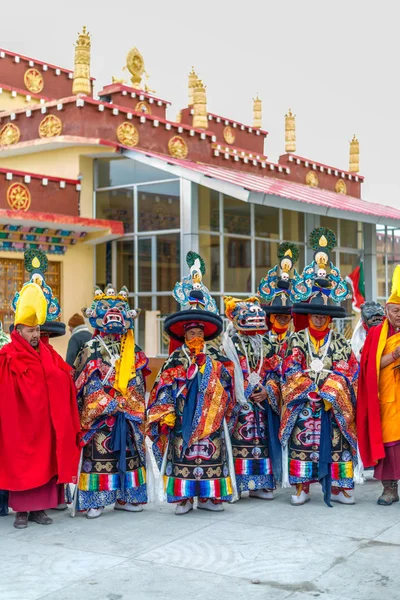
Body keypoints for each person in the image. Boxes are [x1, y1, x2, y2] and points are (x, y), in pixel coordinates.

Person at [147, 252, 236, 515]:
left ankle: (209, 498)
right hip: (183, 417)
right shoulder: (175, 358)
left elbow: (228, 382)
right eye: (191, 333)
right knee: (181, 455)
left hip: (211, 419)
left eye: (199, 333)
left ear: (205, 335)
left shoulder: (217, 356)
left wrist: (208, 370)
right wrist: (166, 412)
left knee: (211, 456)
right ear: (184, 335)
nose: (196, 337)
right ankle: (184, 498)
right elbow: (162, 386)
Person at [0, 250, 81, 529]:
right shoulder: (8, 356)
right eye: (29, 330)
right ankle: (22, 511)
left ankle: (39, 510)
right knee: (21, 464)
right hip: (20, 424)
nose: (35, 335)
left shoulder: (48, 353)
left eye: (37, 330)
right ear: (18, 329)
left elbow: (63, 378)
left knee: (46, 463)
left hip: (46, 423)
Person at [280, 228, 359, 507]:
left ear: (330, 318)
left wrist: (332, 392)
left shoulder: (340, 342)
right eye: (313, 314)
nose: (317, 318)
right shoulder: (297, 339)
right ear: (308, 315)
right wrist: (309, 391)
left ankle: (340, 488)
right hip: (305, 402)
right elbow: (289, 369)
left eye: (322, 315)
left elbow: (351, 370)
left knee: (339, 442)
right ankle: (302, 487)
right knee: (303, 441)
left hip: (333, 404)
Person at [74, 284, 150, 519]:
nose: (113, 313)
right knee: (99, 456)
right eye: (107, 309)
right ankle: (96, 499)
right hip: (101, 417)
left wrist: (127, 403)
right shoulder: (90, 348)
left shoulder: (134, 350)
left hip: (126, 414)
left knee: (128, 454)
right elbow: (86, 384)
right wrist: (108, 404)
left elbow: (139, 382)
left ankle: (126, 497)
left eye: (119, 309)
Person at [221, 295, 281, 499]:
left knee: (262, 442)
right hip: (240, 404)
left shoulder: (266, 343)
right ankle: (237, 485)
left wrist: (268, 390)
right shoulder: (228, 344)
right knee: (239, 442)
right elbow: (224, 373)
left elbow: (277, 372)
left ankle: (261, 485)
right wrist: (244, 390)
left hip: (262, 403)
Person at [357, 266, 400, 505]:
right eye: (395, 310)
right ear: (387, 311)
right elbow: (370, 367)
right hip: (387, 399)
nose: (399, 314)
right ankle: (389, 489)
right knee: (390, 445)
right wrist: (395, 355)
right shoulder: (376, 334)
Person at [259, 242, 299, 359]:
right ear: (271, 317)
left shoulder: (296, 340)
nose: (282, 319)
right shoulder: (261, 340)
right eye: (278, 316)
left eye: (286, 317)